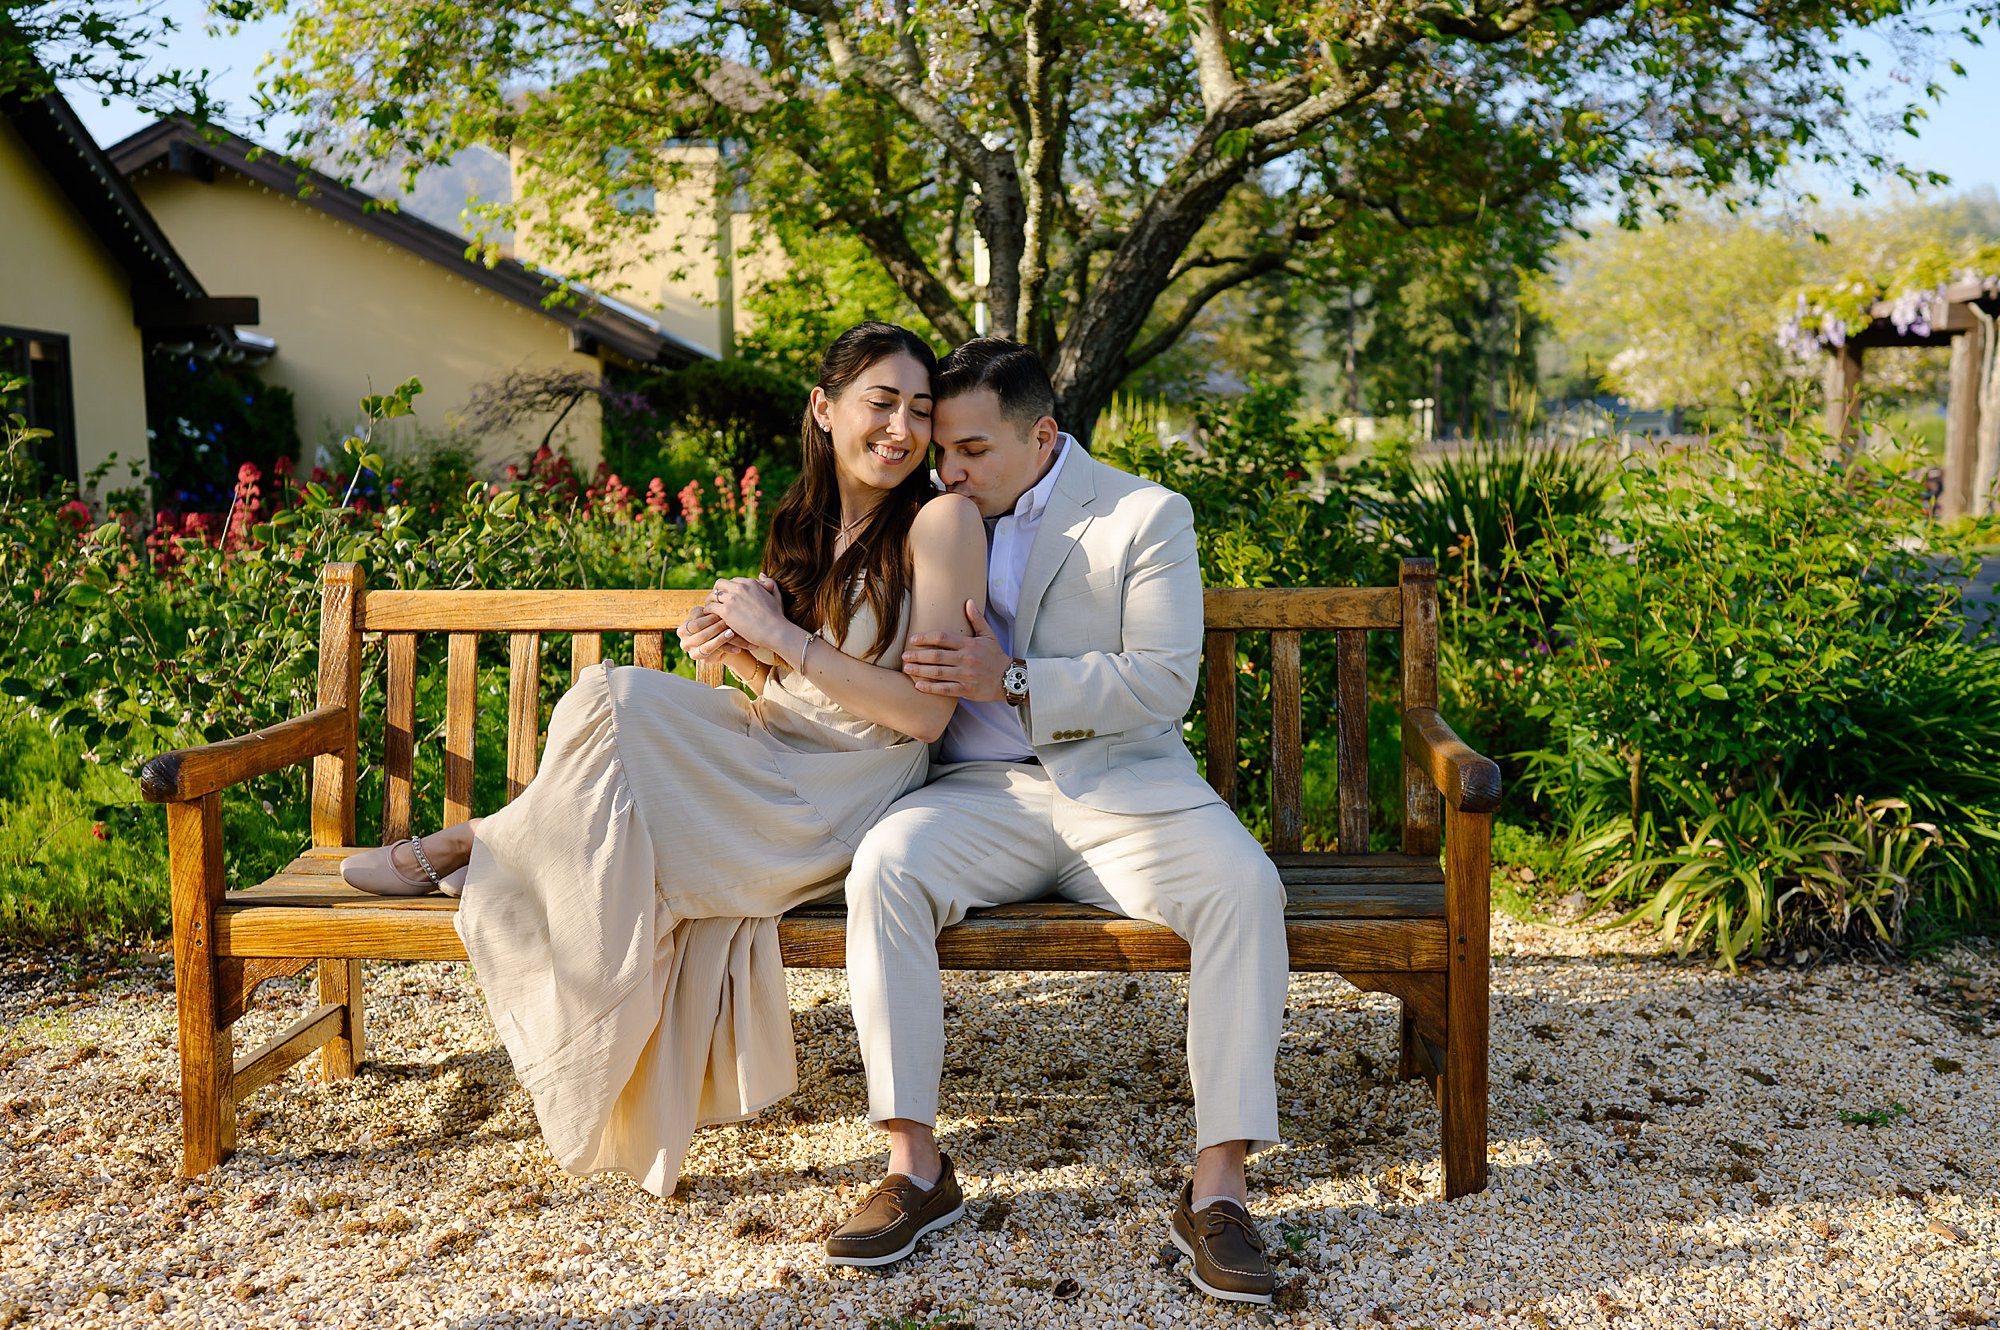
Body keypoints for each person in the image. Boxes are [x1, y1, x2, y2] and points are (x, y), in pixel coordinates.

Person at [338, 322, 987, 1199]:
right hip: (777, 750)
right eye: (881, 403)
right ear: (825, 409)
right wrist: (737, 649)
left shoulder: (941, 521)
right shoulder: (806, 519)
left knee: (618, 702)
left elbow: (924, 714)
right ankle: (486, 846)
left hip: (844, 789)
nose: (902, 430)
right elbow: (790, 686)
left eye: (919, 410)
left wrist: (783, 640)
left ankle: (470, 843)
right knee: (609, 696)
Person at [828, 338, 1289, 1305]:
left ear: (1043, 436)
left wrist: (1019, 678)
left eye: (970, 450)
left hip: (1126, 794)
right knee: (885, 867)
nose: (945, 467)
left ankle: (1219, 1190)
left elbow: (1163, 678)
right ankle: (916, 1170)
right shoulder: (929, 512)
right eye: (940, 447)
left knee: (1246, 887)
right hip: (981, 795)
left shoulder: (1145, 514)